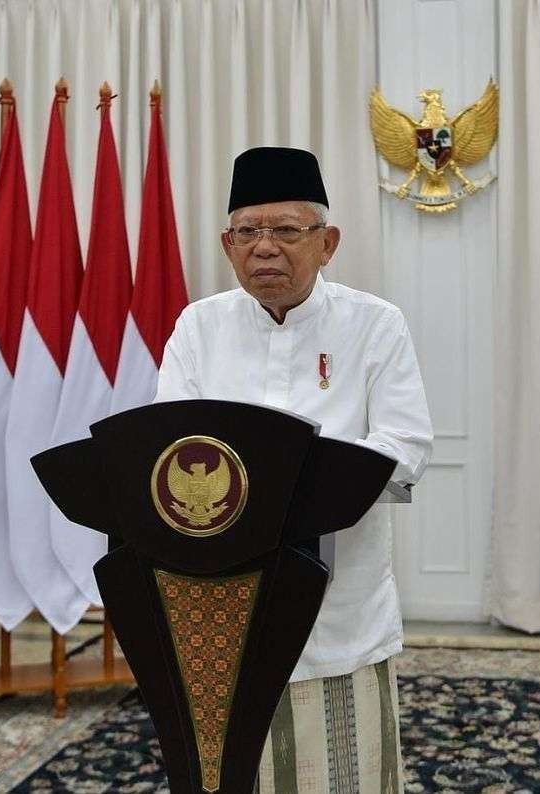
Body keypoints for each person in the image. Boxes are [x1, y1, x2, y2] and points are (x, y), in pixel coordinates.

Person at [155, 146, 433, 792]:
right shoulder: (199, 328)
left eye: (286, 230)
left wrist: (299, 484)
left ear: (327, 242)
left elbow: (407, 444)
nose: (265, 248)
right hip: (223, 595)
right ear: (228, 245)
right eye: (249, 232)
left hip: (337, 594)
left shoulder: (375, 325)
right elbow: (168, 447)